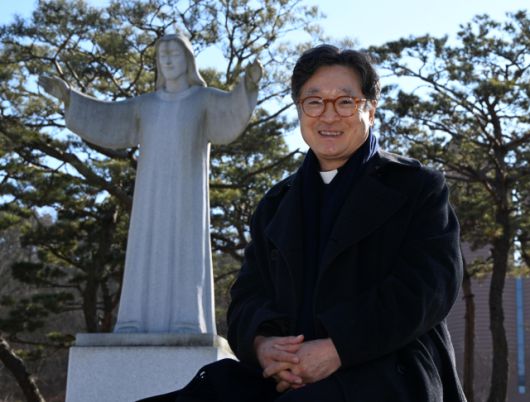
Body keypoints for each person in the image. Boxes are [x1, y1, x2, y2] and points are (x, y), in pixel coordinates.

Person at [139, 44, 466, 402]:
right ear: (300, 109)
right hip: (282, 375)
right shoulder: (276, 204)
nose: (328, 115)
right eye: (314, 102)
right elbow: (247, 296)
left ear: (370, 111)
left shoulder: (416, 188)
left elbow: (428, 289)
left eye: (345, 102)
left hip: (389, 372)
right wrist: (264, 346)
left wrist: (337, 348)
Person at [38, 33, 263, 334]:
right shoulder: (145, 105)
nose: (168, 60)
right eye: (162, 54)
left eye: (174, 53)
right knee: (145, 250)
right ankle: (134, 322)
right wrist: (69, 98)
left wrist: (248, 84)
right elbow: (107, 116)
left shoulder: (203, 99)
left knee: (185, 249)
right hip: (150, 193)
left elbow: (232, 110)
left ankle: (187, 320)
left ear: (188, 60)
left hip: (186, 192)